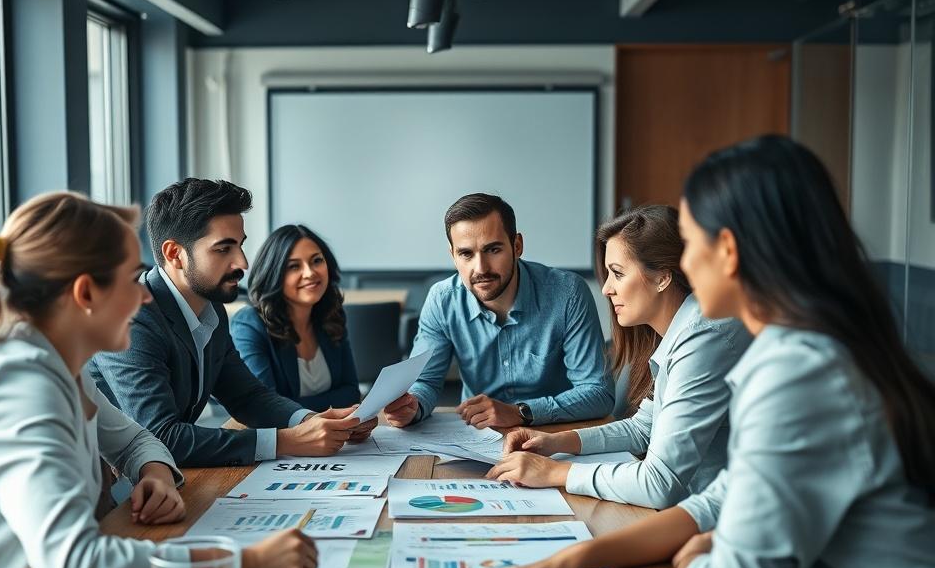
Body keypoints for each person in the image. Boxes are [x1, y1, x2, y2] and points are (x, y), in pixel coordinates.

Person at [460, 136, 935, 568]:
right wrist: (575, 560)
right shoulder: (818, 350)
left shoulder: (794, 376)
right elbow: (723, 496)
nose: (684, 260)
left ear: (727, 250)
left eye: (692, 240)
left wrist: (695, 555)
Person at [0, 192, 317, 568]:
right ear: (85, 294)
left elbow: (135, 439)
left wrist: (155, 472)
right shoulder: (16, 383)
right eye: (131, 279)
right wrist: (243, 565)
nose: (145, 294)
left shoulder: (59, 363)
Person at [487, 205, 750, 509]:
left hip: (723, 523)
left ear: (663, 277)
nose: (607, 289)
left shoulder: (704, 339)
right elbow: (643, 429)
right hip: (694, 513)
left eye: (618, 273)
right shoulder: (683, 328)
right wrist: (555, 442)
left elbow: (659, 483)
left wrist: (556, 472)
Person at [90, 179, 364, 468]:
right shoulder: (132, 317)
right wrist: (289, 440)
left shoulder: (212, 310)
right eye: (223, 249)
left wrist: (309, 420)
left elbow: (247, 396)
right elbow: (161, 436)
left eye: (240, 246)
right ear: (175, 254)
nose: (243, 263)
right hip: (108, 484)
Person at [382, 193, 613, 430]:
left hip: (553, 432)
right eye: (466, 254)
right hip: (475, 436)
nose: (480, 268)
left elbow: (597, 393)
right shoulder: (442, 300)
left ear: (517, 246)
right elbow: (425, 382)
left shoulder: (567, 293)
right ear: (453, 255)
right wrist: (412, 406)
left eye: (493, 250)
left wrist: (520, 412)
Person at [231, 225, 372, 426]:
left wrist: (293, 406)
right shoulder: (250, 324)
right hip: (282, 444)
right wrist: (332, 411)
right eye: (294, 266)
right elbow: (264, 408)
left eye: (317, 261)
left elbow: (350, 392)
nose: (310, 273)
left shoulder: (331, 315)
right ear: (274, 274)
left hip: (333, 438)